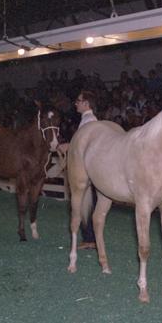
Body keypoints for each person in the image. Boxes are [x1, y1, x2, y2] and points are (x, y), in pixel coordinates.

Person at [58, 90, 98, 249]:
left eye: (79, 101)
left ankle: (90, 238)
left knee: (84, 202)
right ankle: (90, 237)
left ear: (86, 103)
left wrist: (69, 145)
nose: (76, 103)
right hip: (88, 166)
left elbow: (84, 143)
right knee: (87, 202)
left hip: (85, 167)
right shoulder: (87, 119)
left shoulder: (89, 120)